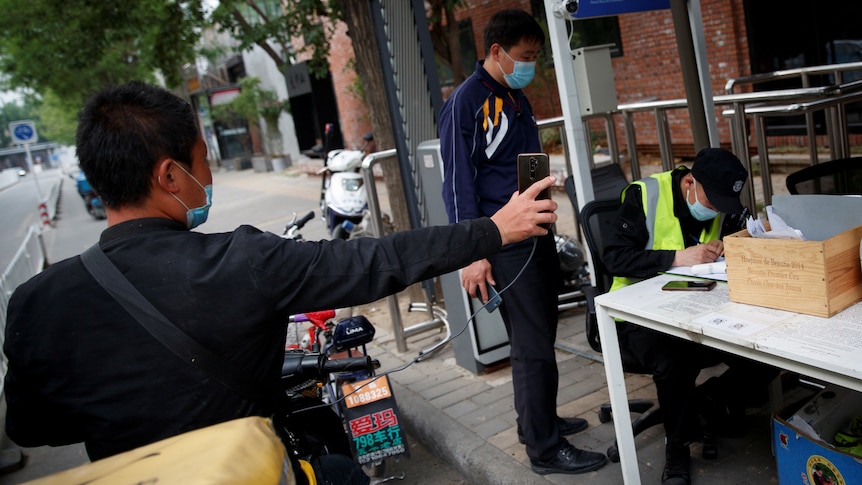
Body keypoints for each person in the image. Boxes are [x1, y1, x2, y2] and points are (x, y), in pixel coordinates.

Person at [3, 81, 558, 483]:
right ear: (169, 175)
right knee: (342, 474)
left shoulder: (34, 303)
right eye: (202, 159)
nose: (211, 175)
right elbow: (374, 261)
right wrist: (493, 230)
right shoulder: (239, 262)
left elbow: (33, 428)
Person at [438, 9, 608, 476]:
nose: (530, 63)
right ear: (496, 51)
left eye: (535, 55)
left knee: (535, 337)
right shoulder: (466, 102)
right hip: (503, 239)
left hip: (535, 231)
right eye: (525, 55)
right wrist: (471, 254)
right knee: (533, 345)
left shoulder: (514, 96)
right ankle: (545, 450)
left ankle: (536, 422)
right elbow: (457, 185)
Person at [603, 147, 780, 485]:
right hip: (637, 319)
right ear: (689, 183)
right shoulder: (646, 195)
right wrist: (676, 258)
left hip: (697, 310)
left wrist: (734, 245)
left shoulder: (720, 205)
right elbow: (614, 257)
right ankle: (678, 448)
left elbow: (743, 232)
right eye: (711, 203)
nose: (714, 211)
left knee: (768, 344)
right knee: (674, 360)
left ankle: (709, 400)